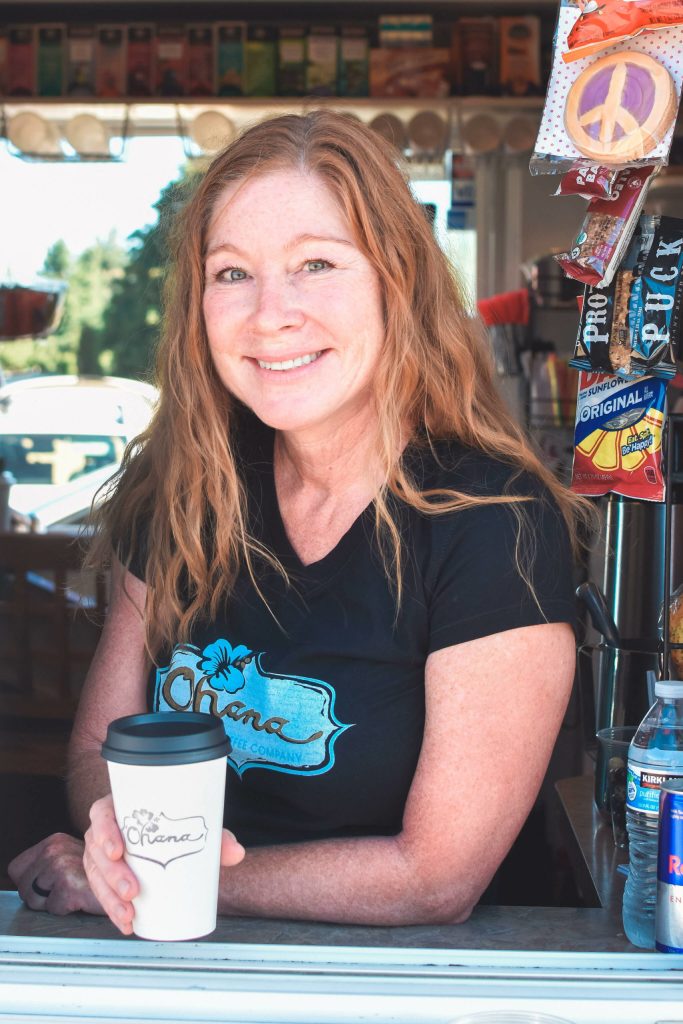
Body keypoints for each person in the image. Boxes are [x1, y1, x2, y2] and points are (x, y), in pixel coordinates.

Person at [9, 110, 587, 931]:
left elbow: (435, 876)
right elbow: (98, 752)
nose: (269, 312)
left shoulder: (492, 520)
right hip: (171, 967)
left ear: (397, 281)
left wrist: (161, 879)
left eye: (316, 263)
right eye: (231, 273)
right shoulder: (184, 486)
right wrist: (109, 842)